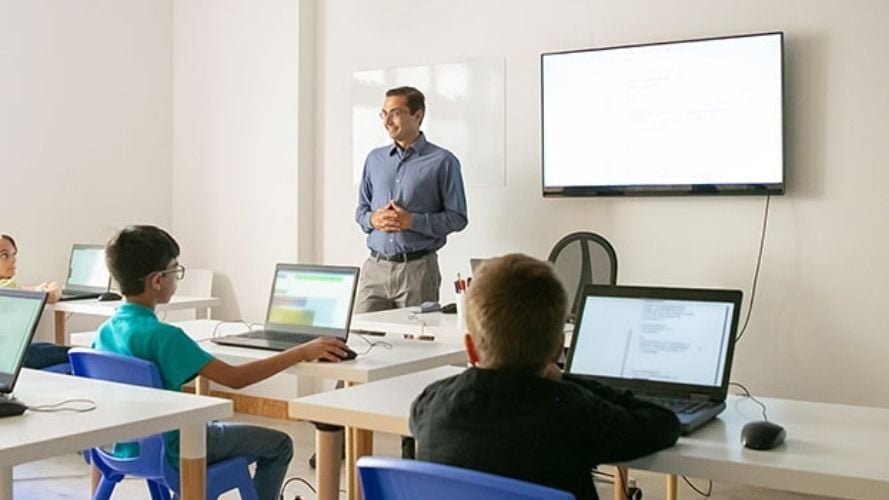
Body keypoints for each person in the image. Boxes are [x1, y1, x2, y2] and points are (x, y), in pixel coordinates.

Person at [93, 225, 350, 500]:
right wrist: (302, 351)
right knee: (280, 444)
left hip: (120, 449)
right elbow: (236, 379)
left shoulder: (104, 332)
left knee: (214, 425)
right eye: (175, 270)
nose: (176, 278)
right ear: (157, 281)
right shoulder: (165, 337)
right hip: (174, 449)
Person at [409, 254, 681, 500]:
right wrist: (565, 379)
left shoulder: (431, 404)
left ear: (470, 347)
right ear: (556, 349)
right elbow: (663, 423)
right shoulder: (572, 410)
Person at [354, 86, 468, 314]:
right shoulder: (374, 159)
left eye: (395, 113)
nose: (387, 121)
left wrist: (412, 221)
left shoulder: (443, 161)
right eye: (383, 114)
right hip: (374, 269)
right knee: (359, 338)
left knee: (416, 345)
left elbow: (457, 218)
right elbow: (361, 211)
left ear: (418, 115)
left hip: (417, 271)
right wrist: (373, 220)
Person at [0, 233, 69, 370]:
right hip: (12, 357)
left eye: (14, 254)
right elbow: (51, 296)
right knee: (72, 353)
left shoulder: (7, 286)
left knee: (49, 347)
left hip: (13, 354)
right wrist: (53, 286)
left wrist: (38, 289)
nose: (13, 260)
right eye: (4, 256)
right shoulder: (6, 289)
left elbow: (23, 289)